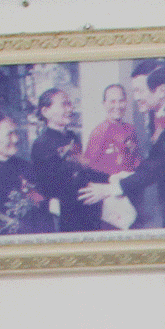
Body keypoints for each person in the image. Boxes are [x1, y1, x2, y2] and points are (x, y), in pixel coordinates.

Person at [80, 60, 165, 230]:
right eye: (134, 91)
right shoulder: (155, 109)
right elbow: (156, 156)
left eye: (139, 91)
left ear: (162, 90)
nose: (135, 98)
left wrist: (112, 188)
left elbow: (158, 165)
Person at [29, 86, 108, 234]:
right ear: (46, 112)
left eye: (69, 104)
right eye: (63, 104)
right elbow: (49, 184)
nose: (69, 109)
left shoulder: (71, 136)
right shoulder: (41, 144)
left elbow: (83, 167)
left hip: (87, 205)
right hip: (66, 212)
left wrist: (109, 179)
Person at [0, 110, 53, 238]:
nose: (16, 139)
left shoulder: (27, 167)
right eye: (9, 134)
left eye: (15, 133)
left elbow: (44, 207)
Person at [82, 80, 141, 179]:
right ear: (104, 104)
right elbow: (90, 167)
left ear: (126, 102)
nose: (117, 106)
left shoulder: (130, 129)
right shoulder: (99, 133)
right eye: (112, 102)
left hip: (129, 187)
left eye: (121, 101)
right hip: (108, 188)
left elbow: (136, 161)